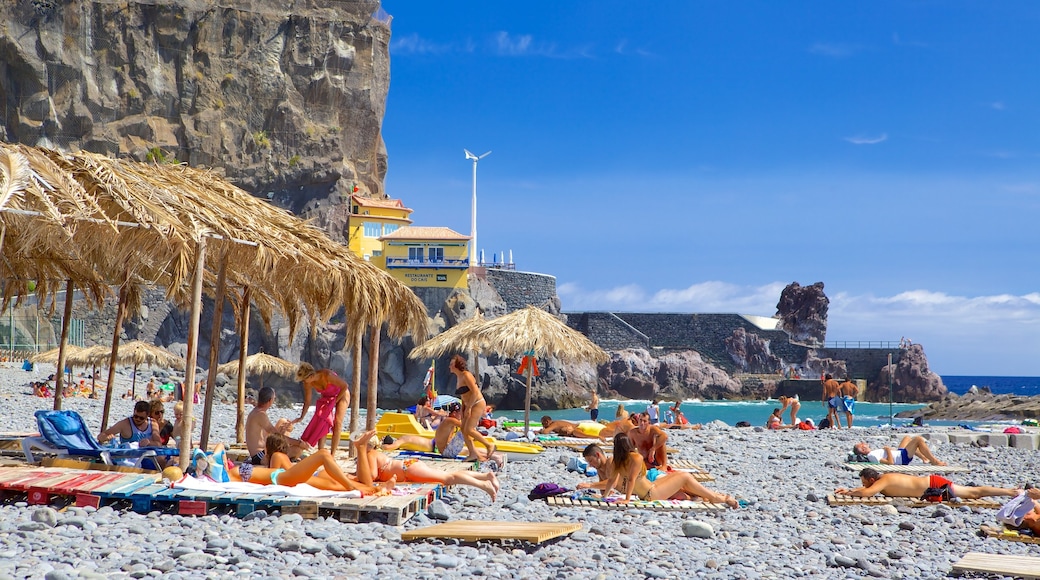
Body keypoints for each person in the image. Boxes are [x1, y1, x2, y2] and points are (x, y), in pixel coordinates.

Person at [355, 429, 499, 500]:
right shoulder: (372, 454)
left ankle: (483, 485)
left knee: (448, 478)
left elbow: (372, 475)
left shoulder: (369, 454)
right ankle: (485, 476)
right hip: (409, 466)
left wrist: (356, 476)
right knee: (447, 475)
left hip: (407, 470)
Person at [603, 433, 738, 507]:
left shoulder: (617, 461)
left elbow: (611, 481)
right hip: (651, 494)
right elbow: (631, 479)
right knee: (684, 476)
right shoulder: (636, 457)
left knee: (679, 476)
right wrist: (627, 500)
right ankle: (715, 497)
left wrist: (605, 496)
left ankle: (709, 496)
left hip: (651, 489)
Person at [223, 434, 381, 495]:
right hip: (285, 478)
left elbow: (219, 450)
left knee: (336, 482)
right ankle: (355, 487)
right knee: (325, 457)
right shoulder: (232, 475)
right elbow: (219, 452)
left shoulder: (276, 457)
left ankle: (372, 488)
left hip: (286, 476)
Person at [382, 403, 505, 467]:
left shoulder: (448, 420)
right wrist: (382, 448)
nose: (460, 415)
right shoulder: (449, 420)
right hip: (444, 451)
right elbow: (465, 427)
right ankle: (488, 447)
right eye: (459, 412)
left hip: (441, 448)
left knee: (468, 449)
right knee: (466, 432)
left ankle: (495, 456)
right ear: (456, 412)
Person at [836, 467, 1019, 500]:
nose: (865, 486)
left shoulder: (884, 481)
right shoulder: (883, 479)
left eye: (865, 483)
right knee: (972, 492)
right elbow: (867, 489)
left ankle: (1009, 492)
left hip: (935, 485)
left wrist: (852, 493)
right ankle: (1008, 491)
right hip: (931, 484)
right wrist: (850, 490)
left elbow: (868, 493)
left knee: (974, 493)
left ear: (872, 480)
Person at [293, 362, 352, 455]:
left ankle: (332, 454)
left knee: (337, 422)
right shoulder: (308, 383)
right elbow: (307, 401)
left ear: (310, 376)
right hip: (327, 397)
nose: (303, 382)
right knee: (322, 420)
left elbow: (345, 386)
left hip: (341, 394)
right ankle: (321, 451)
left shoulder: (327, 375)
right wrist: (301, 417)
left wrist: (335, 401)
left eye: (304, 379)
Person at [448, 354, 496, 461]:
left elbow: (475, 392)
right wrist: (463, 409)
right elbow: (463, 395)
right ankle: (473, 454)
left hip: (477, 403)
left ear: (456, 365)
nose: (449, 366)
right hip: (467, 404)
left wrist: (469, 408)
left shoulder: (466, 375)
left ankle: (489, 445)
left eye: (451, 364)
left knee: (469, 429)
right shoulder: (458, 377)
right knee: (464, 430)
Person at [246, 386, 307, 465]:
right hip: (260, 456)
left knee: (283, 422)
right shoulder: (260, 415)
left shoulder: (257, 412)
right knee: (297, 450)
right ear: (270, 400)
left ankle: (288, 455)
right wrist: (299, 443)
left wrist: (284, 430)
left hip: (263, 450)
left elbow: (270, 435)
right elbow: (277, 436)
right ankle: (287, 458)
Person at [98, 400, 163, 447]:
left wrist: (149, 443)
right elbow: (100, 436)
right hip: (130, 457)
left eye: (141, 418)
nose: (137, 419)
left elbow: (159, 444)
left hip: (147, 456)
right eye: (136, 416)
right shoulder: (125, 424)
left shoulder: (153, 423)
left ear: (147, 415)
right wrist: (106, 437)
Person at [852, 436, 947, 466]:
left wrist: (889, 450)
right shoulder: (872, 456)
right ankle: (935, 461)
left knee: (907, 438)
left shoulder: (872, 453)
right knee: (918, 439)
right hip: (902, 458)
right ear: (863, 449)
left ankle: (924, 458)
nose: (864, 443)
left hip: (899, 453)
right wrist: (888, 450)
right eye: (862, 444)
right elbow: (890, 463)